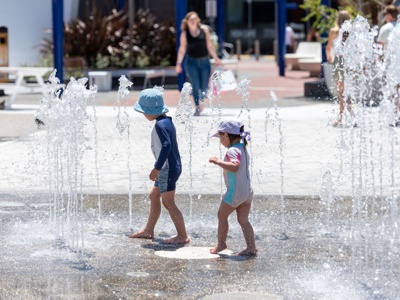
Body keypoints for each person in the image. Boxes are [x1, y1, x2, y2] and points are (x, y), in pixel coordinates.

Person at [129, 88, 190, 245]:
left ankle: (182, 235)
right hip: (168, 167)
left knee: (168, 202)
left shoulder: (161, 125)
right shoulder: (165, 121)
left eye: (144, 111)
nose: (143, 115)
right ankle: (149, 230)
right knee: (154, 196)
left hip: (167, 169)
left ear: (150, 111)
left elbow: (166, 145)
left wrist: (156, 167)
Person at [208, 120, 257, 256]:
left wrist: (218, 161)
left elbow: (235, 167)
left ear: (226, 136)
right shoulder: (242, 147)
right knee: (243, 220)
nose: (220, 141)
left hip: (235, 192)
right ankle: (251, 247)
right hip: (247, 191)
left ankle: (221, 244)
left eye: (220, 137)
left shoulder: (233, 150)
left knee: (221, 215)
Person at [175, 11, 221, 116]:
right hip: (191, 62)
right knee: (195, 85)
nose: (193, 21)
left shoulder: (204, 30)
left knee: (204, 86)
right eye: (191, 19)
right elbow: (182, 49)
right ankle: (197, 106)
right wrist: (178, 64)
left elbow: (209, 45)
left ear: (198, 20)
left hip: (204, 61)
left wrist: (216, 58)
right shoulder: (184, 34)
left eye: (195, 19)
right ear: (186, 21)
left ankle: (201, 102)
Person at [326, 10, 352, 127]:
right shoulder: (351, 31)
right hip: (349, 62)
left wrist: (329, 57)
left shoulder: (334, 31)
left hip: (339, 62)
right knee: (346, 92)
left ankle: (341, 119)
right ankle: (351, 117)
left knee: (341, 93)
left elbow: (328, 48)